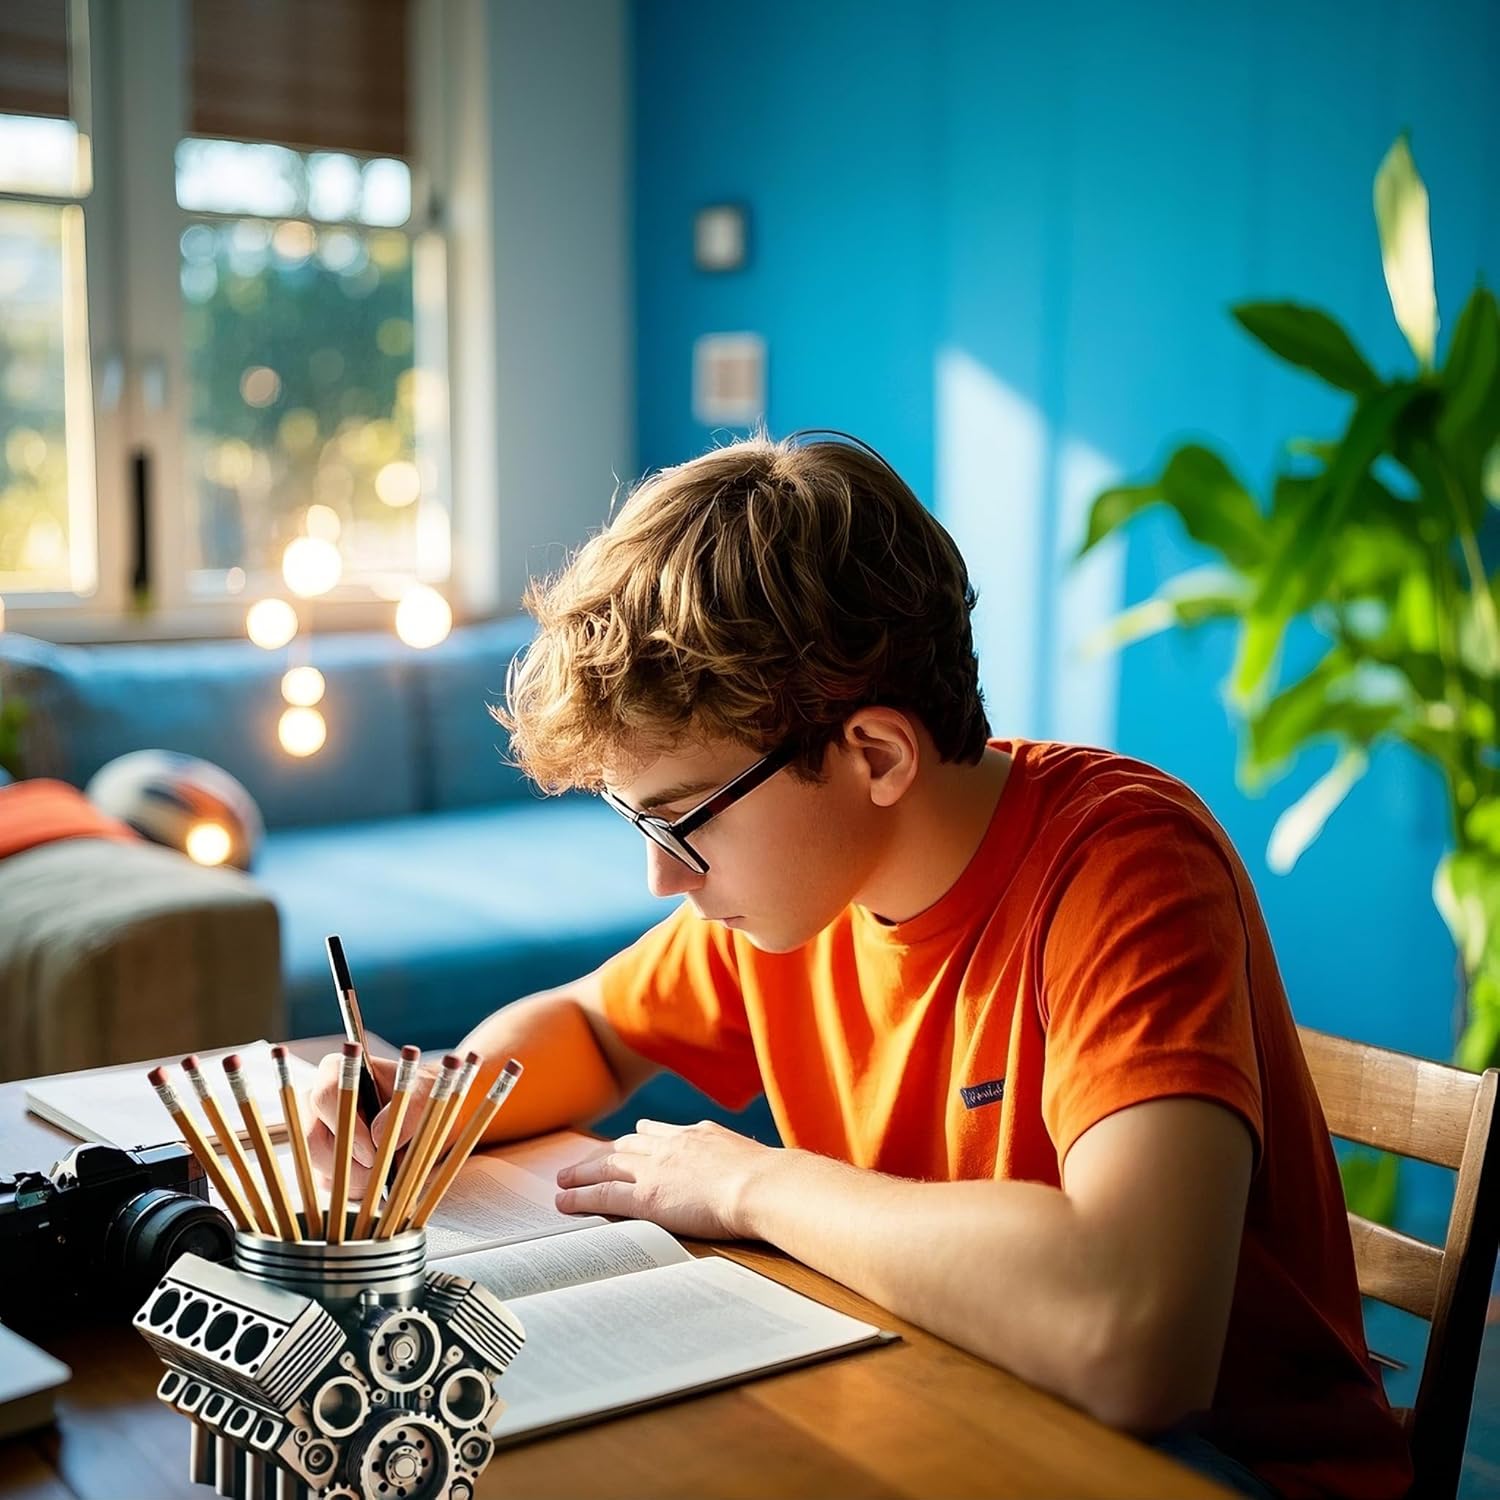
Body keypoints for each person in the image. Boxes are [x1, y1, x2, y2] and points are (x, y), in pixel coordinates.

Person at [307, 431, 1411, 1500]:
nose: (661, 878)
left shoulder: (1123, 866)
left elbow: (1134, 1342)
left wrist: (749, 1183)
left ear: (874, 755)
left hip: (1212, 1468)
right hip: (944, 1395)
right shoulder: (813, 888)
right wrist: (431, 1106)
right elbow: (593, 1027)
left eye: (683, 821)